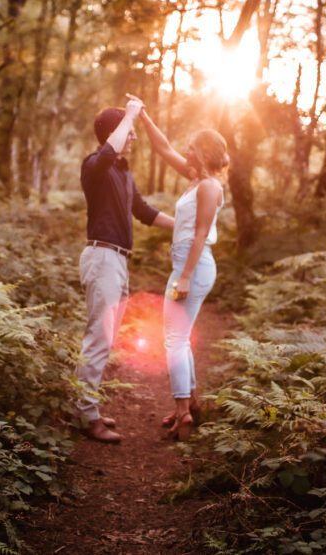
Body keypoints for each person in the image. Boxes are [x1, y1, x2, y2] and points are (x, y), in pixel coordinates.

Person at [77, 98, 174, 443]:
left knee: (106, 338)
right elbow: (107, 152)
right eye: (128, 130)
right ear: (113, 132)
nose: (133, 136)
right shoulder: (95, 165)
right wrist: (131, 112)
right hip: (102, 257)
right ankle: (87, 416)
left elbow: (144, 212)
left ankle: (88, 408)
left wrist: (185, 228)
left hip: (118, 261)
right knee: (98, 338)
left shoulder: (123, 171)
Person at [134, 96, 228, 441]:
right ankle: (186, 405)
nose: (186, 152)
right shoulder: (195, 178)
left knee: (173, 340)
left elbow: (201, 233)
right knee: (179, 338)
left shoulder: (209, 186)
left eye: (192, 149)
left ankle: (183, 410)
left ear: (204, 153)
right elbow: (163, 148)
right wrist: (144, 115)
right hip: (187, 265)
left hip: (195, 267)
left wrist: (185, 276)